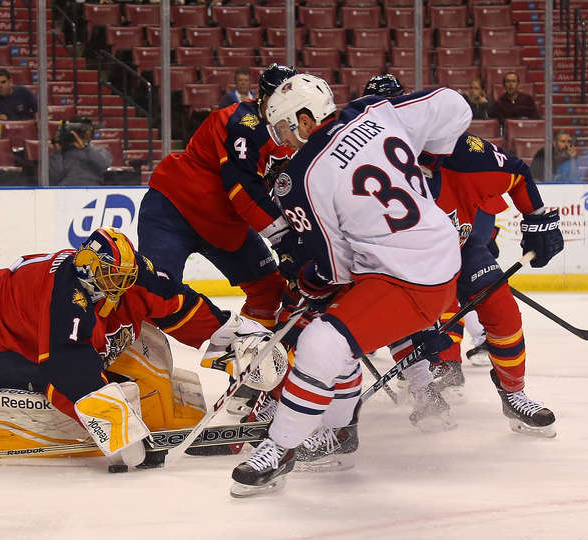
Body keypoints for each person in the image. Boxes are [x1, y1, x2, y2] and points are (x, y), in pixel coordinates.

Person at [229, 74, 471, 497]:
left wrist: (307, 280)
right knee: (337, 331)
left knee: (322, 341)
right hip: (436, 253)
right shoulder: (373, 111)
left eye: (285, 128)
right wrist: (427, 167)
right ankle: (339, 436)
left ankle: (281, 445)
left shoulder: (301, 176)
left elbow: (334, 269)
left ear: (305, 120)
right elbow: (455, 106)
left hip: (409, 278)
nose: (283, 140)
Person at [0, 226, 278, 467]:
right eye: (112, 277)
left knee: (148, 353)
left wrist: (234, 339)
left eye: (125, 277)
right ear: (88, 268)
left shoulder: (133, 275)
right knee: (57, 384)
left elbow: (180, 304)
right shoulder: (67, 297)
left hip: (57, 331)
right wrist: (117, 430)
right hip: (3, 342)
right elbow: (67, 368)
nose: (121, 285)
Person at [363, 75, 563, 437]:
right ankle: (422, 385)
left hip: (462, 247)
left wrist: (537, 219)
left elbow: (516, 173)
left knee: (500, 308)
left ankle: (514, 393)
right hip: (399, 262)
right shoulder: (357, 168)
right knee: (402, 321)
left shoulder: (461, 152)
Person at [137, 63, 297, 332]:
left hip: (225, 226)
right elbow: (244, 192)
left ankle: (251, 361)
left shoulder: (295, 133)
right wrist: (285, 242)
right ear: (264, 97)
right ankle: (227, 340)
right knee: (154, 295)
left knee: (269, 290)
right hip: (174, 209)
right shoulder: (238, 122)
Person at [49, 116, 112, 186]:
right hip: (65, 192)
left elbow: (104, 165)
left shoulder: (98, 150)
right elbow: (52, 178)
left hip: (92, 191)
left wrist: (86, 147)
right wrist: (57, 151)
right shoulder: (62, 153)